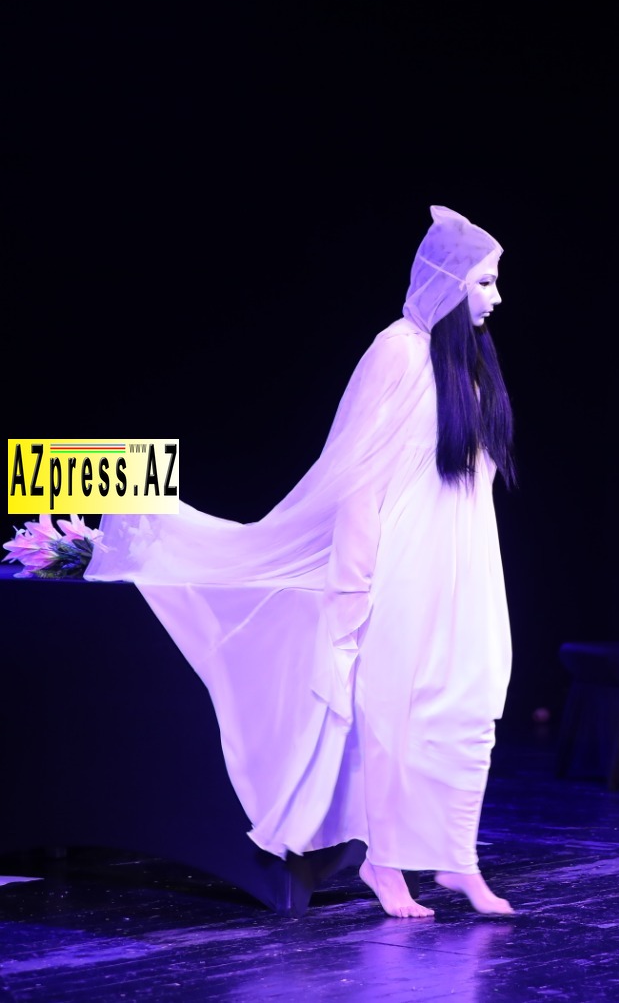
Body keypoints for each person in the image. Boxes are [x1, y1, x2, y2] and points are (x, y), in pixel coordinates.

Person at [87, 206, 518, 918]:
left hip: (465, 561)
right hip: (405, 562)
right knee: (394, 715)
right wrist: (354, 581)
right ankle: (387, 863)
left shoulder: (467, 359)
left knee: (470, 703)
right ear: (447, 282)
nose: (497, 297)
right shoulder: (397, 352)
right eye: (485, 281)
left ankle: (456, 858)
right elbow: (359, 482)